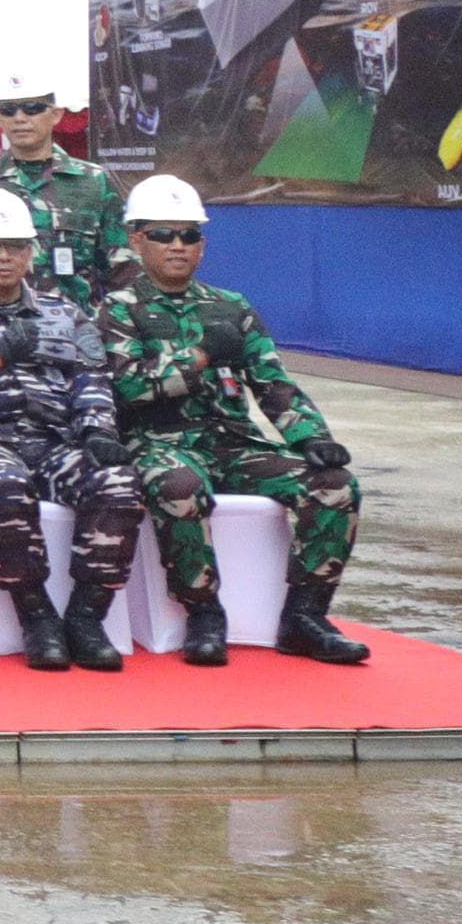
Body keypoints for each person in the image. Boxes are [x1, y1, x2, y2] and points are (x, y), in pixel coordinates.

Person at [98, 173, 369, 664]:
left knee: (334, 485)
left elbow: (272, 383)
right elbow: (126, 386)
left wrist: (311, 436)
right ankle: (203, 612)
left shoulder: (231, 306)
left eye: (189, 234)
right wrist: (199, 358)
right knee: (178, 487)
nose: (177, 245)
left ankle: (305, 616)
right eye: (163, 234)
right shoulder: (119, 309)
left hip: (230, 442)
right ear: (137, 240)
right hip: (159, 441)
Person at [0, 187, 122, 674]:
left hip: (56, 439)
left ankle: (87, 616)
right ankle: (36, 616)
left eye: (14, 245)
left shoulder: (66, 313)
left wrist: (95, 430)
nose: (3, 256)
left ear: (32, 251)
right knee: (4, 486)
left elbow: (90, 378)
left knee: (117, 484)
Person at [0, 70, 130, 312]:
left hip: (72, 330)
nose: (20, 118)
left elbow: (122, 267)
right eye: (8, 110)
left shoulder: (93, 182)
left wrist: (109, 328)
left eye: (32, 108)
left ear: (56, 114)